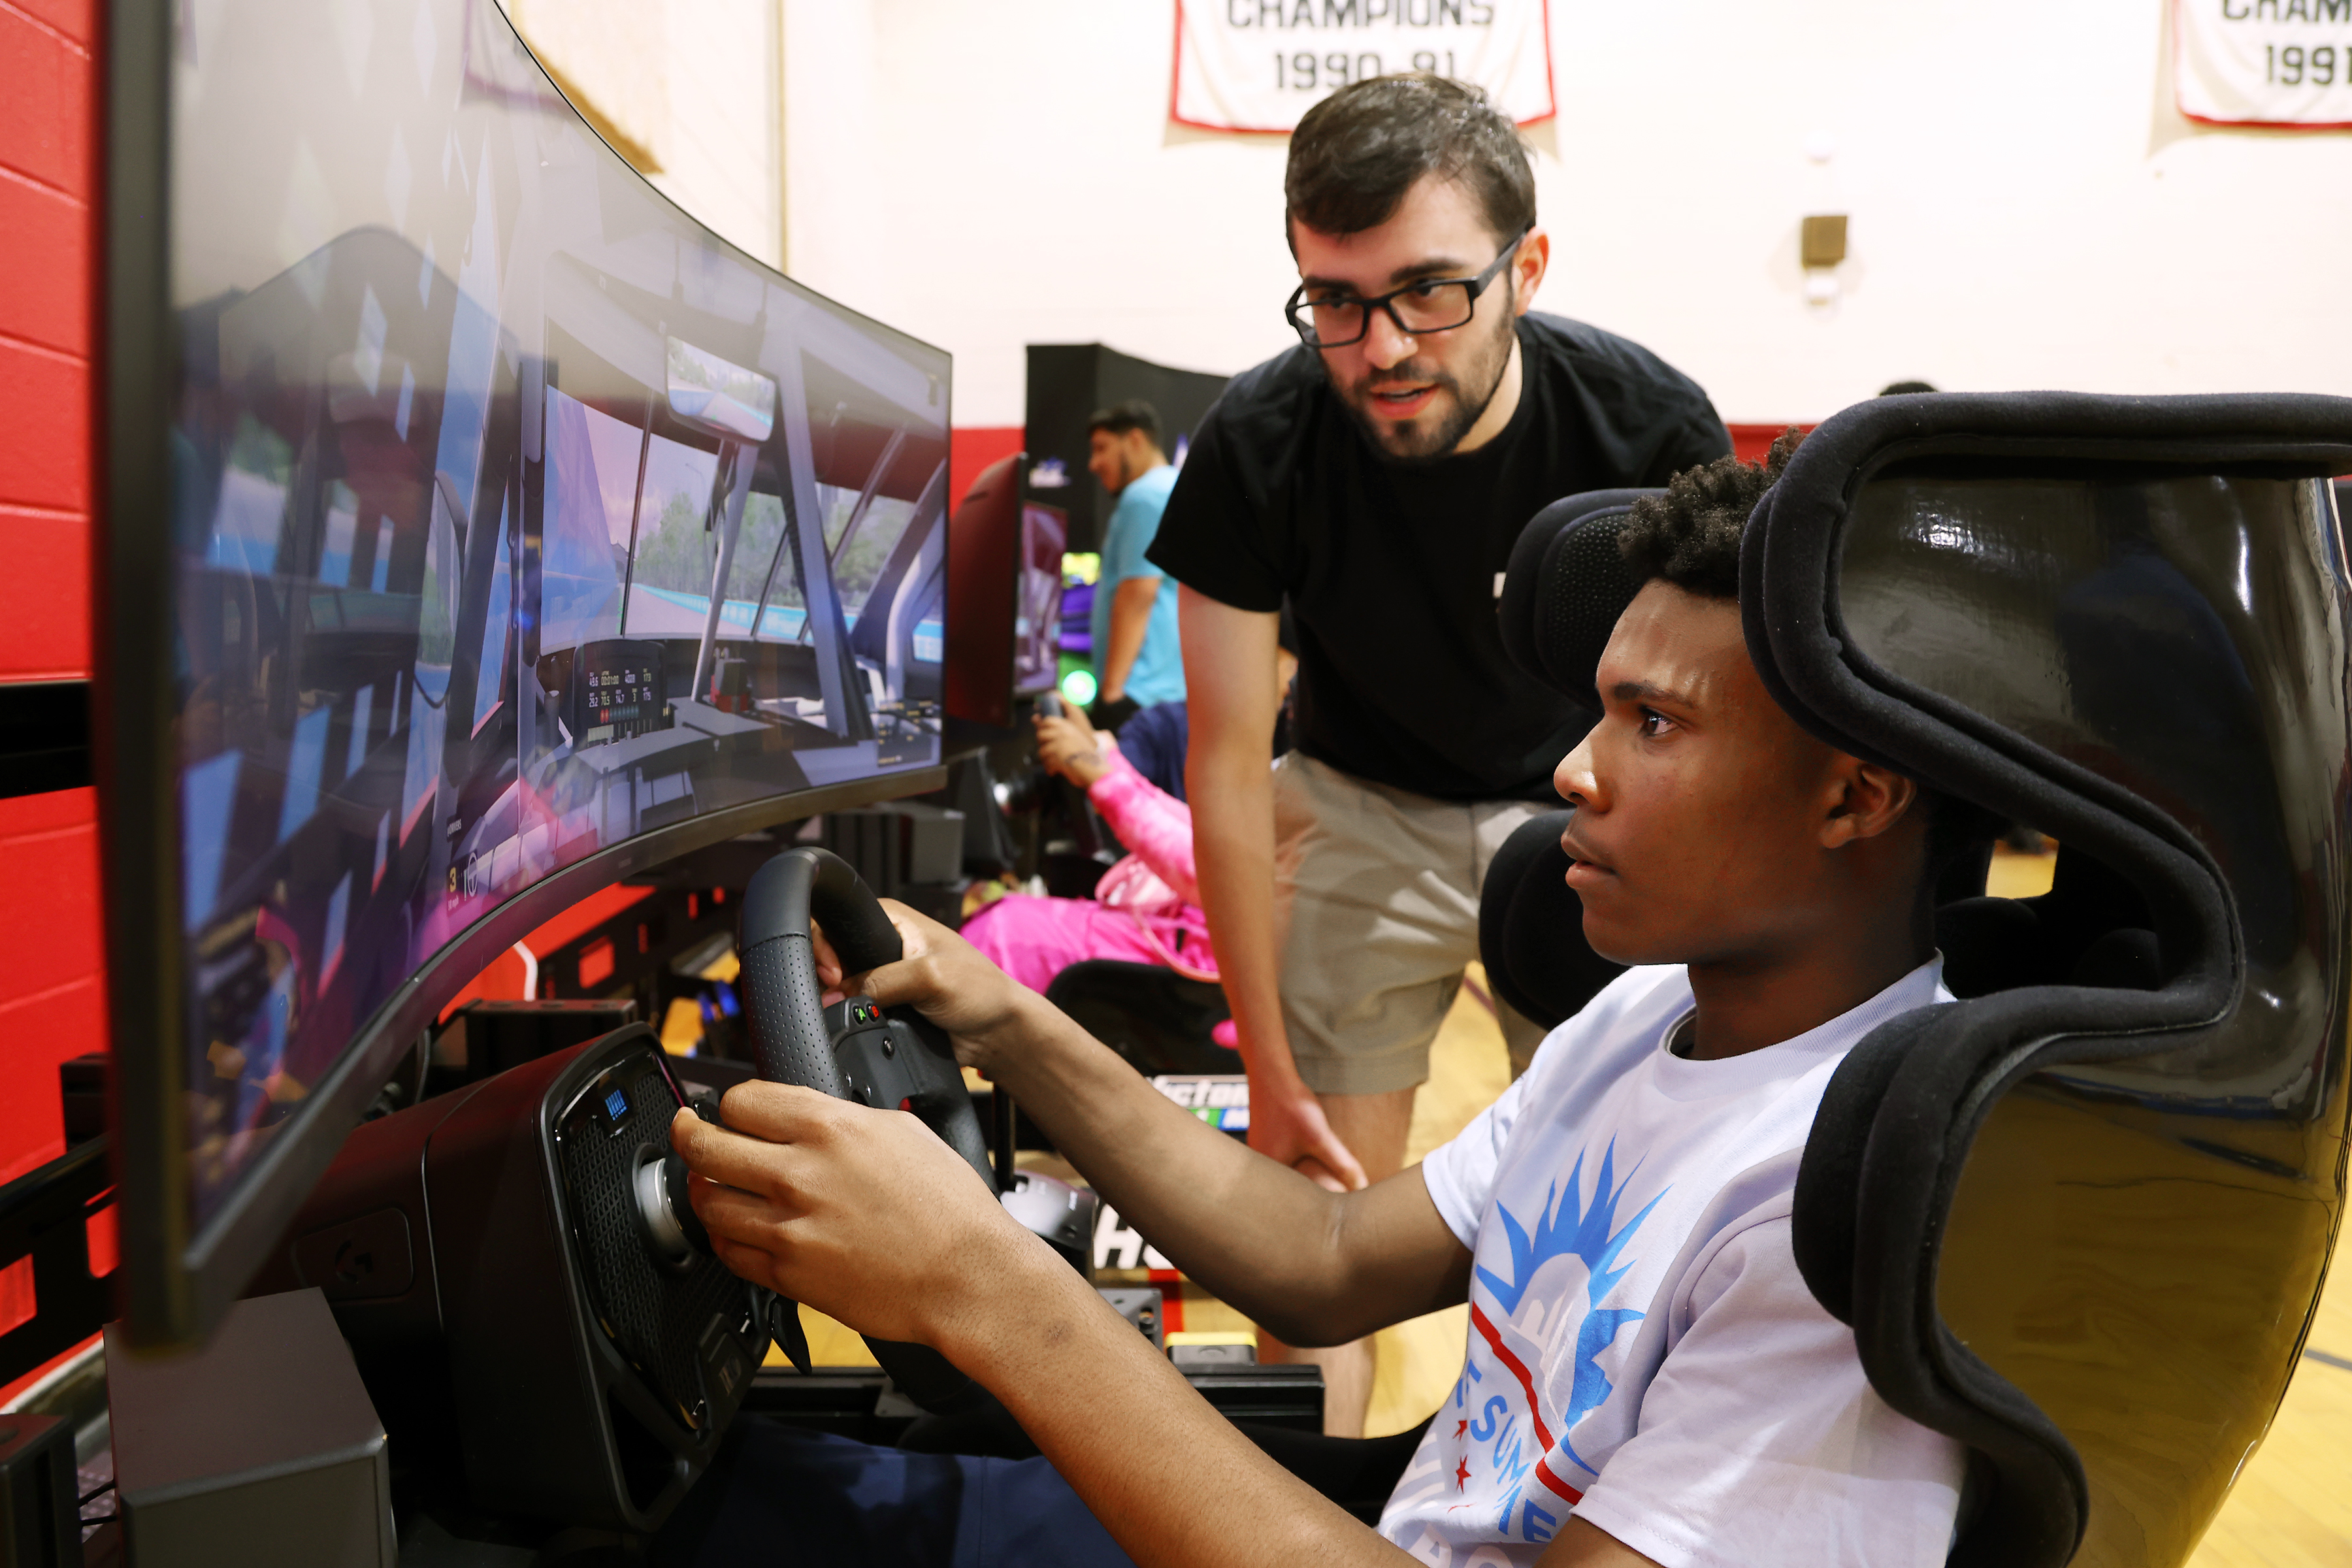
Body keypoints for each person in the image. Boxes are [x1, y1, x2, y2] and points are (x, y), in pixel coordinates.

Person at [664, 436, 1982, 1568]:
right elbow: (1327, 1264)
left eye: (1653, 723)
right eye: (1599, 712)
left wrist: (982, 1284)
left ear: (1853, 796)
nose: (1575, 771)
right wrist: (1001, 1013)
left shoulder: (1842, 1209)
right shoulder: (1645, 1017)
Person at [1144, 73, 1732, 1432]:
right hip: (1361, 797)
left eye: (1428, 292)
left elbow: (1711, 720)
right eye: (1336, 300)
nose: (1383, 343)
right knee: (1314, 1234)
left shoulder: (1648, 427)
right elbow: (1229, 766)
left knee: (1614, 1210)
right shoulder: (1258, 440)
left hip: (1587, 797)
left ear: (1525, 267)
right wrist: (1270, 1082)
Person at [1086, 400, 1186, 729]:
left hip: (1139, 694)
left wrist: (1113, 692)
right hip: (1166, 692)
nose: (1093, 464)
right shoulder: (1174, 487)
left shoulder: (1144, 496)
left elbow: (1138, 594)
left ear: (1135, 441)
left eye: (1102, 449)